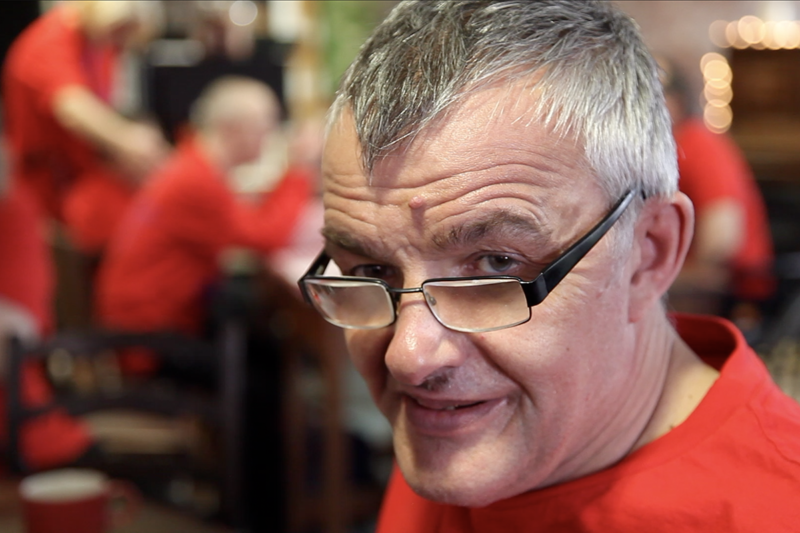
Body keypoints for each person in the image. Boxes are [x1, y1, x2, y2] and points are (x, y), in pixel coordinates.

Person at [296, 1, 800, 531]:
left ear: (648, 253)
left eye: (495, 266)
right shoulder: (467, 421)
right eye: (371, 272)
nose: (409, 358)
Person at [95, 76, 312, 375]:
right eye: (267, 125)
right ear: (235, 129)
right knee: (268, 356)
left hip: (141, 325)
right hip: (151, 342)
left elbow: (251, 224)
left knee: (258, 329)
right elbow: (263, 236)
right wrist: (299, 171)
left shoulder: (193, 165)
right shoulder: (197, 181)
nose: (272, 136)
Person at [2, 0, 169, 255]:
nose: (122, 45)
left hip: (80, 175)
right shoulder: (49, 43)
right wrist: (129, 141)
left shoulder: (100, 45)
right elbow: (72, 108)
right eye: (122, 32)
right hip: (50, 190)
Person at [660, 57, 775, 327]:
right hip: (696, 278)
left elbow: (721, 243)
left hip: (732, 290)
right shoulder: (671, 147)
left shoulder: (698, 142)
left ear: (674, 101)